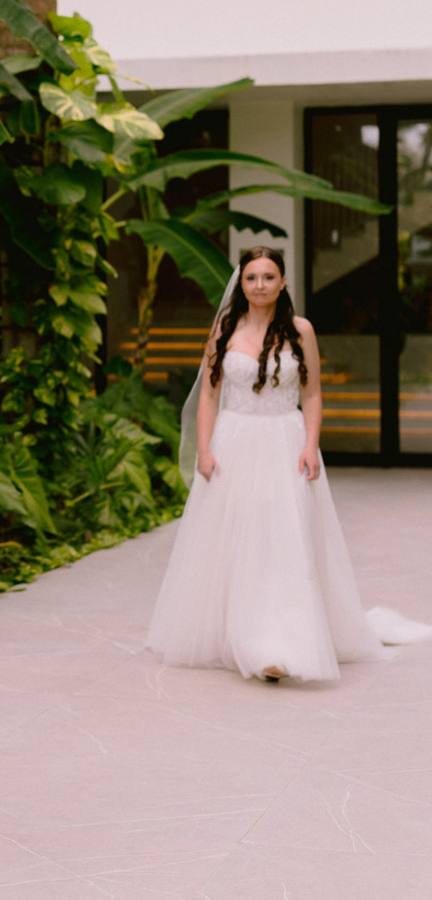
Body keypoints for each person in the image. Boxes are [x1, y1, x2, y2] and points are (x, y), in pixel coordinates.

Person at [147, 245, 397, 683]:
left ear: (282, 282)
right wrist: (204, 450)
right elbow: (209, 393)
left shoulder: (301, 330)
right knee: (239, 538)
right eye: (251, 277)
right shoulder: (225, 329)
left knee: (286, 537)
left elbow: (313, 393)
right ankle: (241, 634)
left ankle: (282, 641)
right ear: (241, 284)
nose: (259, 285)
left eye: (268, 277)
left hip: (286, 440)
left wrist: (310, 444)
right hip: (235, 442)